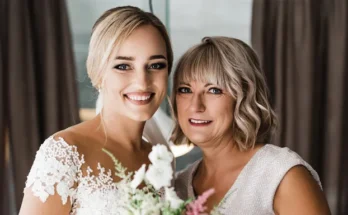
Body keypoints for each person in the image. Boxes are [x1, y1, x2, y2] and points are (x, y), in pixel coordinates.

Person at [19, 6, 173, 215]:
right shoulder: (65, 153)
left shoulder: (160, 159)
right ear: (98, 73)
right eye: (123, 66)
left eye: (156, 65)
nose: (142, 82)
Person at [173, 37, 331, 214]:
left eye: (214, 90)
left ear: (244, 96)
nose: (195, 106)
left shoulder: (281, 175)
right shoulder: (176, 187)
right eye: (185, 90)